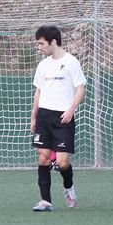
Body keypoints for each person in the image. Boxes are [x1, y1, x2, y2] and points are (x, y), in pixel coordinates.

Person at [30, 25, 86, 212]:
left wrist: (71, 110)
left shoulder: (71, 62)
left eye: (42, 44)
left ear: (53, 42)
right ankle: (46, 201)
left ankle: (68, 187)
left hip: (63, 117)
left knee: (62, 162)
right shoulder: (43, 65)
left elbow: (80, 88)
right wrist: (34, 117)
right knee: (44, 158)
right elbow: (38, 91)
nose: (39, 47)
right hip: (44, 116)